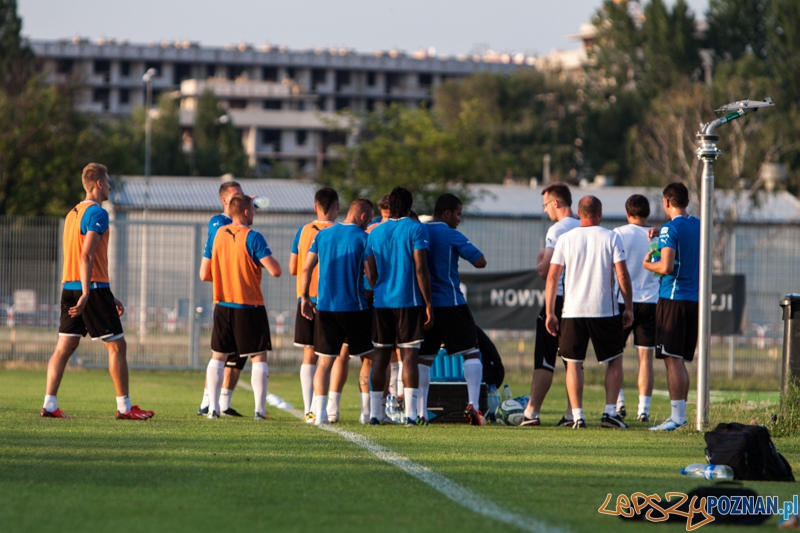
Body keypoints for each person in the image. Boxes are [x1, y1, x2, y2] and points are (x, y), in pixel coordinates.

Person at [42, 163, 153, 420]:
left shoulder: (72, 213)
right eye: (109, 181)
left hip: (69, 287)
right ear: (100, 184)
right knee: (117, 347)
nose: (111, 186)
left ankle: (49, 404)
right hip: (88, 289)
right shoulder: (98, 213)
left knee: (63, 348)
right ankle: (125, 408)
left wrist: (106, 294)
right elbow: (86, 254)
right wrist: (87, 293)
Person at [545, 195, 634, 429]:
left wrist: (550, 312)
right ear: (600, 212)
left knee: (573, 363)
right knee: (614, 360)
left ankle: (577, 416)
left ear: (578, 212)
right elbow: (622, 275)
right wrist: (629, 307)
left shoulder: (565, 239)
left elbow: (553, 277)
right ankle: (609, 414)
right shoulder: (611, 236)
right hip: (604, 310)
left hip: (572, 311)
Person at [201, 195, 282, 419]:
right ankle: (260, 411)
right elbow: (276, 270)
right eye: (252, 211)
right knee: (259, 357)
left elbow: (205, 272)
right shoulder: (253, 237)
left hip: (222, 303)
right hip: (249, 304)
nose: (254, 213)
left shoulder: (217, 236)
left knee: (218, 356)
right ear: (246, 212)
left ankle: (212, 408)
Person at [300, 199, 375, 425]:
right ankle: (368, 413)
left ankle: (320, 413)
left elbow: (306, 267)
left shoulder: (323, 235)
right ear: (363, 217)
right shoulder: (364, 238)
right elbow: (371, 275)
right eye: (370, 219)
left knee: (324, 362)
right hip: (355, 308)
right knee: (370, 358)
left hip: (325, 308)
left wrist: (305, 297)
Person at [365, 187, 434, 426]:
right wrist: (428, 302)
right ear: (408, 206)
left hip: (382, 302)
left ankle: (375, 414)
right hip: (410, 301)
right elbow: (420, 268)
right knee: (409, 358)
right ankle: (411, 415)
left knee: (380, 357)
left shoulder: (375, 232)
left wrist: (380, 289)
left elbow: (370, 271)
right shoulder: (416, 228)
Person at [419, 193, 487, 425]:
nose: (459, 219)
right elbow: (480, 261)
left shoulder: (420, 231)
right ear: (446, 213)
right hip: (452, 303)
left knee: (424, 359)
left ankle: (420, 411)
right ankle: (474, 406)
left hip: (424, 305)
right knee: (471, 352)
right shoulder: (451, 234)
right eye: (457, 214)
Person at [643, 182, 700, 431]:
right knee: (679, 359)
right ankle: (680, 415)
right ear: (686, 202)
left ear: (667, 202)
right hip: (693, 301)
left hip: (673, 299)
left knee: (672, 359)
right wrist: (658, 238)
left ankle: (677, 418)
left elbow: (664, 267)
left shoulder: (669, 228)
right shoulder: (698, 225)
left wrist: (647, 263)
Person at [521, 182, 579, 427]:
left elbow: (546, 271)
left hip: (560, 298)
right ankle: (571, 414)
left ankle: (531, 413)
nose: (545, 211)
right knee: (574, 361)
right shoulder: (586, 226)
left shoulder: (557, 230)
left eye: (546, 205)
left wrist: (540, 259)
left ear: (556, 203)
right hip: (581, 302)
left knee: (544, 358)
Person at [289, 187, 343, 423]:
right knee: (336, 355)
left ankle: (308, 408)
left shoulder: (303, 231)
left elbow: (293, 268)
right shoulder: (340, 232)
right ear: (337, 207)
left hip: (306, 298)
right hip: (333, 301)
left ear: (315, 207)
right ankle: (331, 407)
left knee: (309, 354)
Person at [197, 181, 248, 417]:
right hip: (226, 300)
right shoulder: (220, 223)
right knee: (221, 353)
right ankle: (207, 402)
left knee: (238, 356)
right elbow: (208, 269)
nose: (241, 199)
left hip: (242, 299)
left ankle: (224, 403)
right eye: (236, 196)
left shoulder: (242, 226)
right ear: (225, 201)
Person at [612, 194, 660, 423]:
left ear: (627, 213)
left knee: (615, 355)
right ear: (648, 213)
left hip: (623, 301)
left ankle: (619, 403)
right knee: (645, 358)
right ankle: (644, 409)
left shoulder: (618, 233)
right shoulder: (657, 235)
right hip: (651, 301)